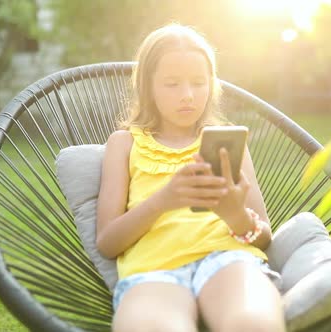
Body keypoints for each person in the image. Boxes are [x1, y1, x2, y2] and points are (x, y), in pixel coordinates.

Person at [96, 23, 286, 332]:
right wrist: (164, 200)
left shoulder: (227, 142)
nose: (187, 95)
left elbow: (264, 236)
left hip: (228, 260)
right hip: (155, 271)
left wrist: (235, 215)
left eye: (199, 82)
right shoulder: (124, 144)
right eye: (172, 84)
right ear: (148, 87)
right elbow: (107, 242)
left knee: (252, 324)